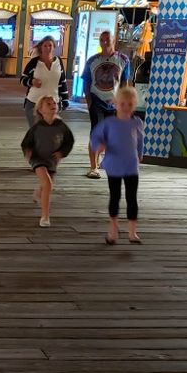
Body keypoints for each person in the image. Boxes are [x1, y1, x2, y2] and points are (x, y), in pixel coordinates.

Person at [90, 85, 144, 245]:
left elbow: (140, 140)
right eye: (123, 104)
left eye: (130, 104)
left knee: (131, 197)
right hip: (114, 165)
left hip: (131, 165)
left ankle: (132, 231)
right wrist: (99, 146)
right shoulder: (109, 123)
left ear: (134, 105)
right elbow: (95, 137)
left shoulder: (137, 123)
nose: (126, 107)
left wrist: (140, 154)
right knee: (115, 197)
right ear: (115, 103)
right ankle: (113, 229)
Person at [21, 95, 75, 228]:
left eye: (54, 104)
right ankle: (45, 216)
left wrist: (62, 152)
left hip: (52, 160)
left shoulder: (61, 126)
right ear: (40, 110)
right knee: (48, 184)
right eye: (48, 104)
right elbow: (26, 143)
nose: (53, 106)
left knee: (46, 184)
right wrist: (28, 152)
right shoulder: (37, 127)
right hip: (37, 158)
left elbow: (69, 141)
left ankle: (39, 192)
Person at [83, 30, 129, 178]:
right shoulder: (92, 60)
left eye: (107, 39)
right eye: (102, 39)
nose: (104, 42)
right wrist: (89, 100)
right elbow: (87, 81)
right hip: (97, 99)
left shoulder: (123, 59)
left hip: (114, 102)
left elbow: (124, 83)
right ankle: (93, 166)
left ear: (113, 40)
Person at [20, 36, 69, 126]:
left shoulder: (59, 62)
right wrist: (32, 82)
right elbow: (23, 79)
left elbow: (62, 81)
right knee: (36, 132)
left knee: (50, 132)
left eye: (50, 46)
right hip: (34, 103)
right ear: (41, 47)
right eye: (45, 46)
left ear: (54, 47)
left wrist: (65, 99)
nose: (48, 48)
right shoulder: (34, 62)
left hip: (52, 104)